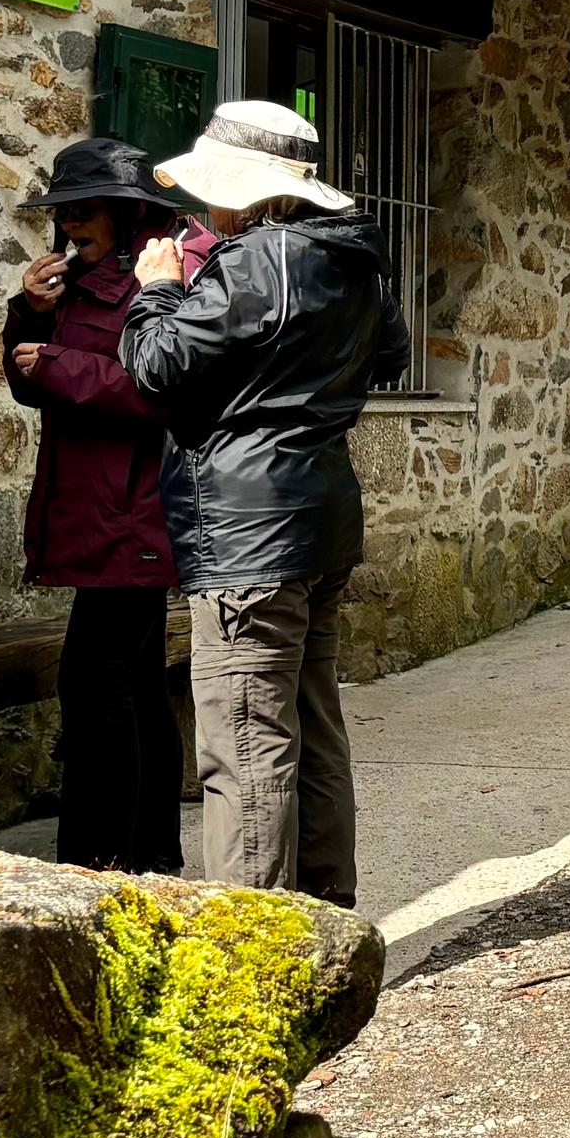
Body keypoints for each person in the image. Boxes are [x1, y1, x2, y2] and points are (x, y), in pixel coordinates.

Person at [120, 99, 409, 903]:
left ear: (242, 191)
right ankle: (326, 924)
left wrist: (157, 288)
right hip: (319, 520)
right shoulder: (349, 259)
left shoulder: (252, 262)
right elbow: (392, 352)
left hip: (246, 534)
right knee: (313, 731)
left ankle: (256, 954)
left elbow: (156, 365)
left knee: (245, 742)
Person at [4, 135, 183, 875]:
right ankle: (144, 851)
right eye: (64, 212)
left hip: (135, 513)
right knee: (133, 683)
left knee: (97, 682)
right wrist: (30, 313)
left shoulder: (156, 282)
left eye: (85, 210)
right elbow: (29, 381)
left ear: (124, 211)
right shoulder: (78, 284)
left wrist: (58, 363)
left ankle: (98, 855)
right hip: (97, 507)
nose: (70, 224)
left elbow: (160, 393)